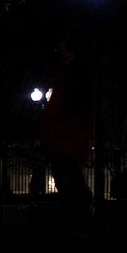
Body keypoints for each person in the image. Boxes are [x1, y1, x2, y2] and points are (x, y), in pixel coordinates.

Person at [40, 38, 93, 221]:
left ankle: (76, 214)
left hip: (65, 134)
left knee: (67, 175)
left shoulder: (68, 76)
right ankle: (78, 214)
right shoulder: (71, 75)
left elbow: (64, 104)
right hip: (67, 134)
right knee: (69, 175)